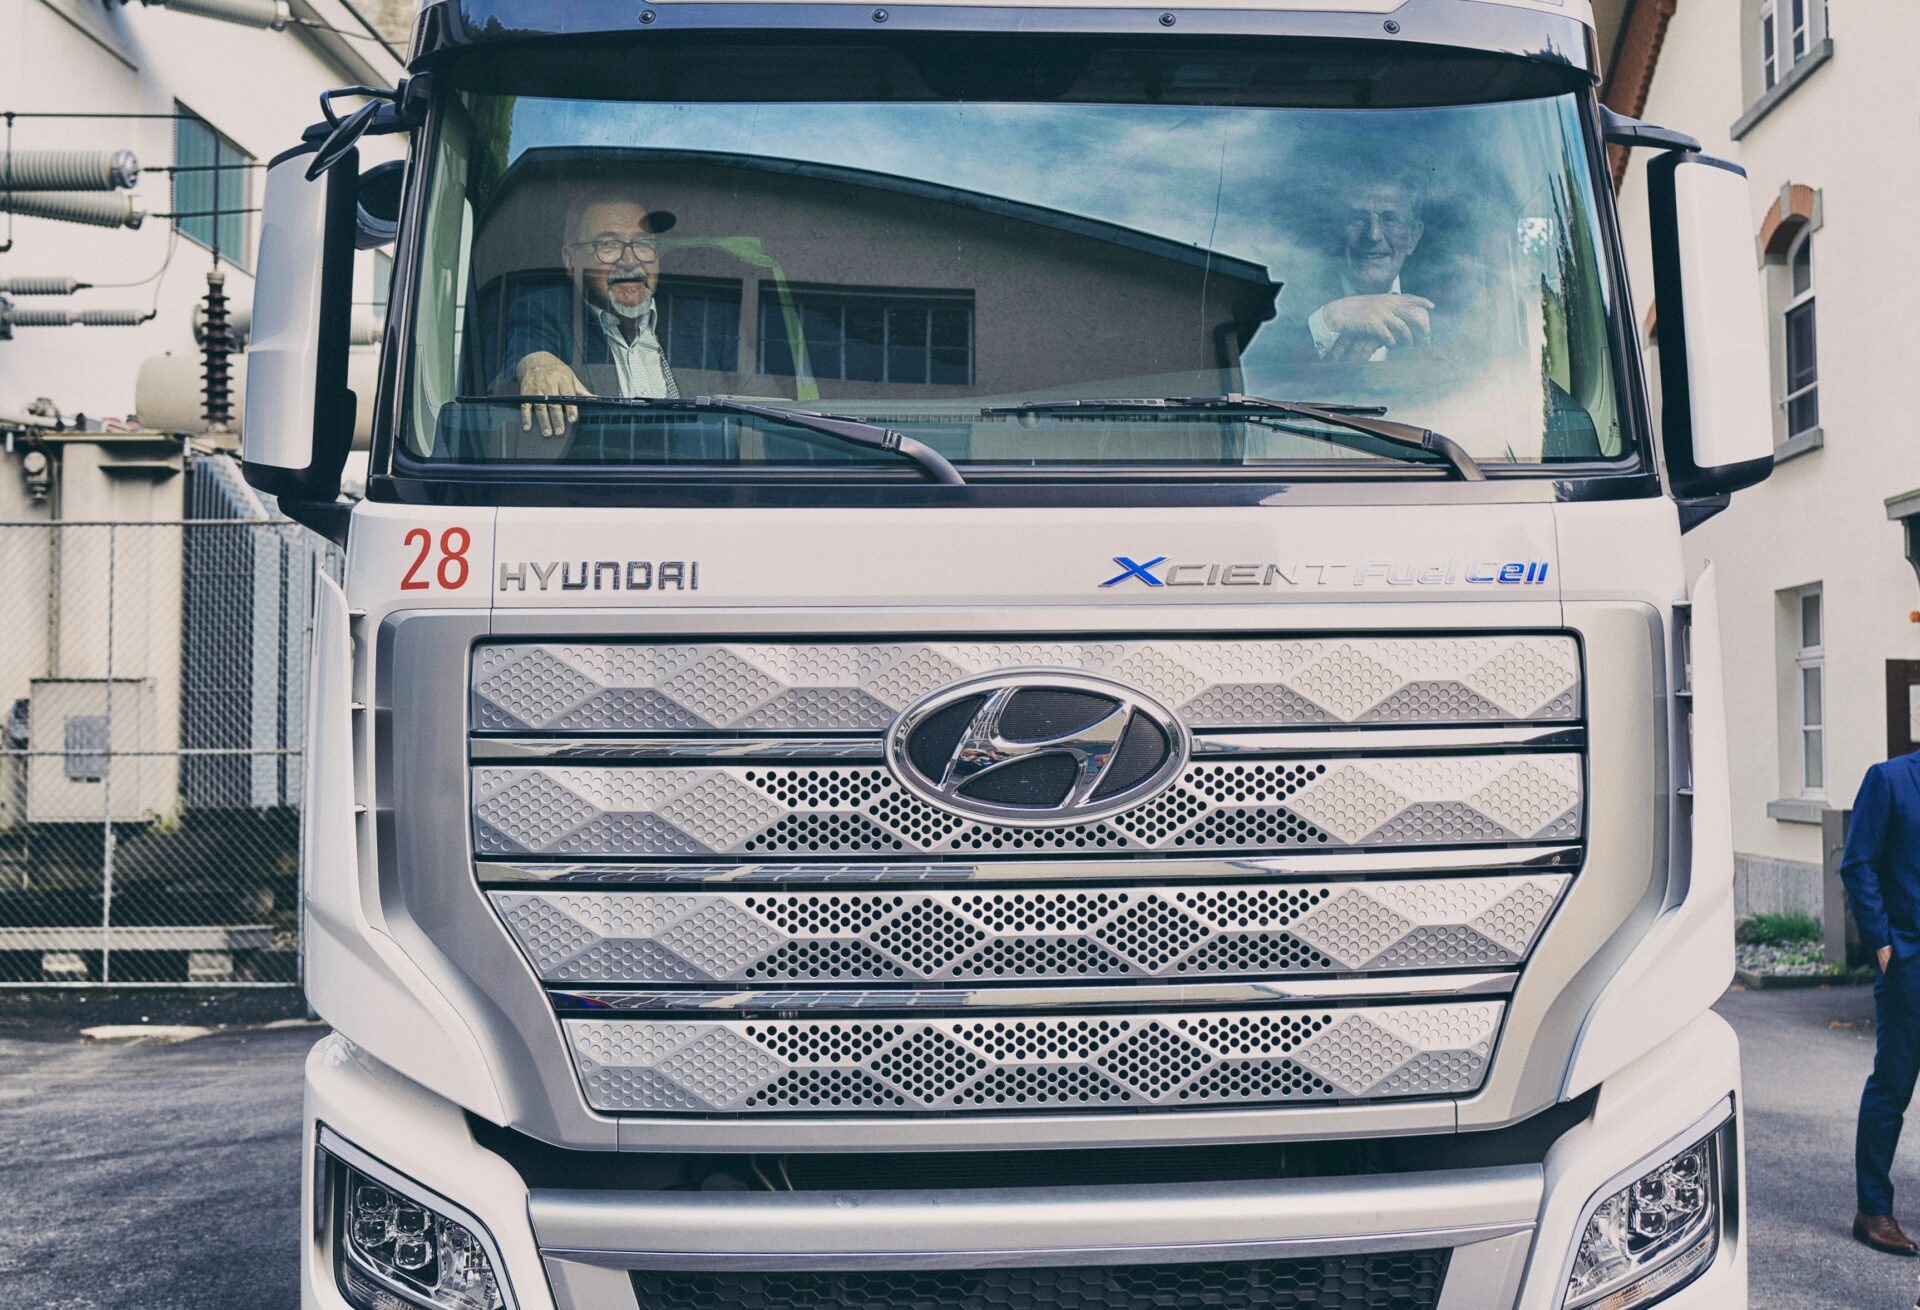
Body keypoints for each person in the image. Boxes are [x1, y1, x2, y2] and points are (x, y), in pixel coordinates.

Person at [504, 195, 681, 437]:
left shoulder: (703, 323)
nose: (630, 261)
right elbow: (527, 352)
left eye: (643, 244)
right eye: (608, 245)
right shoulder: (545, 312)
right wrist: (535, 364)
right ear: (570, 260)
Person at [1840, 748, 1920, 1256]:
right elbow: (1857, 864)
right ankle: (1872, 1210)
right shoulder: (1890, 780)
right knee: (1892, 1086)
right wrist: (1884, 947)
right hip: (1910, 964)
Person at [1288, 177, 1438, 363]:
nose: (1373, 235)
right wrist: (1328, 321)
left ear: (1413, 236)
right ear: (1335, 230)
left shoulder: (1446, 303)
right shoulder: (1289, 302)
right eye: (1357, 219)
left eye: (1389, 219)